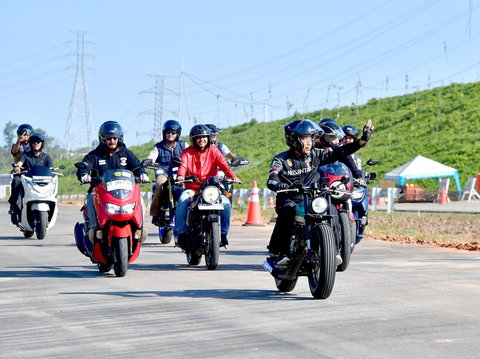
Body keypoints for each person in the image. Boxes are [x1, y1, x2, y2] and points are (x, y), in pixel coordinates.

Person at [266, 118, 373, 263]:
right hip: (290, 198)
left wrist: (361, 141)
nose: (309, 142)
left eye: (310, 138)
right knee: (289, 211)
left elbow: (341, 151)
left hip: (312, 198)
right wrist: (280, 186)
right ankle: (280, 252)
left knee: (331, 209)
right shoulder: (281, 159)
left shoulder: (316, 155)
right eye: (305, 138)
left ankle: (333, 251)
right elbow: (272, 179)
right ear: (293, 139)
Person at [76, 121, 149, 236]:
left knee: (139, 199)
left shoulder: (126, 154)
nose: (112, 141)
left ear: (120, 138)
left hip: (125, 192)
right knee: (90, 198)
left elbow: (137, 166)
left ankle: (139, 227)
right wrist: (84, 175)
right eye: (109, 138)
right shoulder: (94, 155)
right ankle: (93, 228)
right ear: (102, 139)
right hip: (100, 192)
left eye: (115, 138)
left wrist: (142, 173)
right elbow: (84, 166)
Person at [174, 124, 241, 247]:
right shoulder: (187, 152)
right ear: (193, 140)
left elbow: (224, 165)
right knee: (183, 200)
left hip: (211, 189)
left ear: (209, 138)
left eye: (204, 137)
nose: (202, 140)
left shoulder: (214, 150)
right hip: (193, 188)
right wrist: (180, 177)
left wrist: (233, 177)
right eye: (198, 138)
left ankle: (224, 234)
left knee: (226, 204)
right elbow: (182, 166)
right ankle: (181, 233)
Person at [147, 120, 188, 226]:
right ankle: (155, 214)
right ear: (164, 133)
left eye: (173, 133)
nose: (170, 135)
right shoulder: (158, 147)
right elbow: (151, 157)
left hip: (179, 174)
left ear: (177, 134)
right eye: (168, 132)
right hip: (163, 174)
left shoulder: (183, 145)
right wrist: (149, 161)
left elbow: (191, 156)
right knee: (160, 185)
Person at [9, 132, 53, 224]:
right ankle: (13, 206)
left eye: (38, 141)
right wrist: (17, 167)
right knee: (16, 180)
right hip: (29, 182)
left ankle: (52, 208)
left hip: (43, 183)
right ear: (31, 143)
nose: (35, 143)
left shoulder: (46, 157)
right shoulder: (26, 155)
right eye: (33, 142)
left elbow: (51, 169)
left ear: (42, 143)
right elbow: (20, 163)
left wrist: (53, 172)